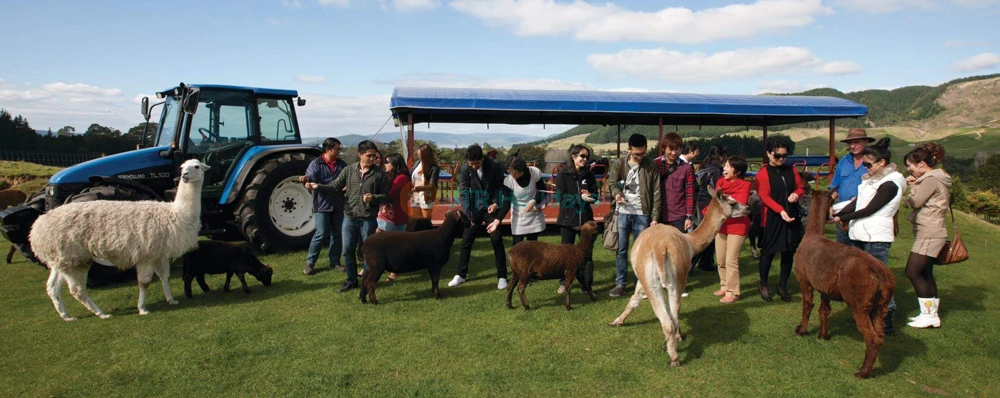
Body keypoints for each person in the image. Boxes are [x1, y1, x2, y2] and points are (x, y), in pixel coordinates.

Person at [832, 138, 905, 333]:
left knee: (880, 279)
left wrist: (842, 218)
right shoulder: (870, 180)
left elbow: (871, 208)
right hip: (860, 235)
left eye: (868, 164)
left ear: (882, 163)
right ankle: (866, 313)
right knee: (864, 279)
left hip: (876, 237)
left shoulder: (892, 182)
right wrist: (835, 214)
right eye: (863, 164)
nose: (865, 168)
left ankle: (886, 316)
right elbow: (857, 203)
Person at [306, 140, 390, 293]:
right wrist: (317, 186)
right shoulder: (348, 170)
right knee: (347, 250)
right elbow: (334, 186)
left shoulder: (379, 174)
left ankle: (367, 280)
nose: (373, 159)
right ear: (360, 155)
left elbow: (386, 196)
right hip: (349, 217)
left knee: (367, 252)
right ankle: (351, 281)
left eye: (374, 156)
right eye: (369, 156)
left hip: (368, 219)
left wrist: (374, 198)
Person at [902, 143, 950, 329]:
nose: (909, 169)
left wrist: (910, 190)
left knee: (912, 271)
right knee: (926, 273)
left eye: (910, 165)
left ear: (922, 164)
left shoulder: (930, 180)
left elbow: (915, 202)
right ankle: (931, 314)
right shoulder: (937, 179)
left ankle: (928, 314)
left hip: (928, 233)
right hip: (933, 231)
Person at [607, 133, 661, 297]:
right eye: (637, 154)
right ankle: (620, 283)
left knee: (643, 252)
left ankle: (643, 284)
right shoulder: (619, 164)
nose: (640, 157)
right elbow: (611, 183)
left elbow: (657, 192)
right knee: (621, 250)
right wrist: (616, 193)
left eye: (643, 153)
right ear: (628, 149)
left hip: (643, 214)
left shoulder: (651, 166)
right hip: (622, 213)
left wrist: (655, 216)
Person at [450, 144, 510, 290]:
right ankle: (461, 275)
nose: (474, 166)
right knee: (466, 240)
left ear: (482, 159)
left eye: (476, 163)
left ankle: (502, 276)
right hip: (474, 207)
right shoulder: (465, 169)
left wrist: (496, 203)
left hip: (491, 207)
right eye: (471, 164)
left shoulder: (496, 165)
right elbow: (463, 192)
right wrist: (468, 214)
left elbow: (501, 187)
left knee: (496, 239)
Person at [755, 137, 805, 302]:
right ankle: (764, 284)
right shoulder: (763, 173)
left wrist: (796, 194)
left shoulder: (792, 170)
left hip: (791, 216)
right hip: (772, 218)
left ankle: (782, 285)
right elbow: (764, 196)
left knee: (788, 253)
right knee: (768, 253)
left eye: (784, 155)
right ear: (769, 154)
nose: (781, 159)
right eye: (777, 156)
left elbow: (801, 187)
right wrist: (780, 210)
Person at [554, 144, 598, 294]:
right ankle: (563, 283)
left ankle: (587, 286)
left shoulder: (589, 175)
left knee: (587, 254)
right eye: (582, 156)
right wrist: (579, 197)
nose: (585, 160)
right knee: (565, 254)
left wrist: (591, 197)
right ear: (573, 156)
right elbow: (560, 198)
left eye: (587, 157)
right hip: (567, 221)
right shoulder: (562, 175)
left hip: (586, 221)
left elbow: (596, 195)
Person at [300, 138, 347, 276]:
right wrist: (306, 180)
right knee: (321, 234)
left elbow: (347, 179)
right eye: (337, 149)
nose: (339, 151)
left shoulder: (341, 164)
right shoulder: (316, 164)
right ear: (328, 149)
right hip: (322, 205)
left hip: (338, 204)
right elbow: (310, 178)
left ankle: (335, 262)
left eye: (339, 149)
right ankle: (310, 263)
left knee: (337, 235)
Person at [712, 155, 751, 304]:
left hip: (738, 226)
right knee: (721, 258)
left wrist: (725, 200)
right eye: (725, 166)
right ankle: (724, 284)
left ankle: (733, 292)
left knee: (731, 260)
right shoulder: (720, 182)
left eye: (728, 166)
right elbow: (718, 203)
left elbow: (740, 203)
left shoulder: (745, 185)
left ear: (738, 171)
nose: (724, 169)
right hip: (722, 225)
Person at [829, 128, 874, 244]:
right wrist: (829, 204)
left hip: (863, 211)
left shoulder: (873, 162)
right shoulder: (844, 160)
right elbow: (835, 186)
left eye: (856, 142)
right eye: (850, 143)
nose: (853, 146)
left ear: (866, 141)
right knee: (842, 248)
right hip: (842, 210)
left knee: (861, 250)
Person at [691, 144, 727, 273]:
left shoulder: (704, 165)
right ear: (721, 156)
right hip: (708, 201)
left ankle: (706, 262)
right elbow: (717, 188)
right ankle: (692, 264)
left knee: (706, 233)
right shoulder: (716, 169)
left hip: (701, 200)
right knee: (706, 235)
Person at [500, 154, 546, 245]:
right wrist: (498, 220)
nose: (512, 174)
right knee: (517, 247)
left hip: (534, 215)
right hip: (519, 217)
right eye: (509, 172)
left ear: (521, 170)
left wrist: (534, 201)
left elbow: (542, 191)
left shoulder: (534, 172)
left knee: (533, 247)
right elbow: (506, 203)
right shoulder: (508, 181)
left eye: (514, 172)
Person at [653, 132, 695, 233]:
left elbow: (690, 193)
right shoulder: (654, 164)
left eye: (677, 149)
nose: (673, 152)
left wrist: (689, 217)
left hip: (678, 215)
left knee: (678, 247)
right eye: (670, 149)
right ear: (664, 148)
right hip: (658, 214)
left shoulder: (687, 168)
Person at [377, 153, 411, 233]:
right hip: (386, 216)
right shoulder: (389, 176)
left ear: (395, 163)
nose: (384, 164)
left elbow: (391, 195)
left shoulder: (402, 178)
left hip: (396, 218)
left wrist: (375, 196)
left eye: (387, 162)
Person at [410, 143, 440, 221]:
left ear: (426, 155)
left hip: (426, 196)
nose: (419, 157)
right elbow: (410, 174)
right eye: (418, 155)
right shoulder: (417, 163)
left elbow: (432, 186)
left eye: (421, 155)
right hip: (415, 195)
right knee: (416, 222)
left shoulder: (434, 167)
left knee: (426, 222)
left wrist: (419, 188)